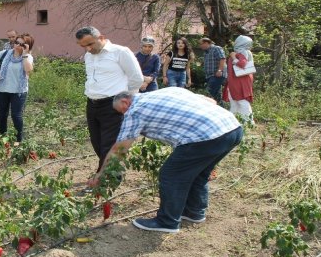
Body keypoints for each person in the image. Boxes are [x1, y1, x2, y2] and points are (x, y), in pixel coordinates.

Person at [90, 88, 242, 233]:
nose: (123, 116)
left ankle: (167, 222)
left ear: (125, 103)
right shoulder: (168, 91)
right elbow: (210, 101)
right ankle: (194, 212)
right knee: (199, 173)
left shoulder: (134, 111)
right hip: (232, 128)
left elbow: (119, 149)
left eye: (121, 112)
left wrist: (101, 174)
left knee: (170, 175)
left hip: (205, 137)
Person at [75, 26, 144, 173]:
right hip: (92, 103)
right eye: (83, 46)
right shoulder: (89, 55)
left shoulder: (120, 52)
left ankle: (104, 180)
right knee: (97, 142)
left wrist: (125, 101)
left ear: (101, 37)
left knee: (109, 144)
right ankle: (112, 171)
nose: (87, 49)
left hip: (113, 104)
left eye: (90, 44)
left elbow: (136, 79)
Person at [0, 33, 34, 144]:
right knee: (2, 115)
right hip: (1, 90)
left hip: (18, 92)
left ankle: (18, 140)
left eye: (22, 44)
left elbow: (28, 70)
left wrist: (25, 54)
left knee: (16, 115)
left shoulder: (28, 57)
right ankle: (4, 138)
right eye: (17, 42)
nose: (18, 45)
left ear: (27, 46)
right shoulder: (5, 53)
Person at [224, 35, 255, 123]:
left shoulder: (242, 53)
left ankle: (248, 121)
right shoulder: (241, 52)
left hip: (239, 81)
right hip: (236, 81)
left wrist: (233, 57)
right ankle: (233, 121)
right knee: (234, 101)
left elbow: (242, 64)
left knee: (241, 101)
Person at [199, 38, 227, 105]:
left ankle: (207, 109)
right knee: (217, 95)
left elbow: (222, 59)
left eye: (201, 44)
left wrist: (220, 70)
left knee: (209, 93)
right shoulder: (206, 52)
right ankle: (221, 109)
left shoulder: (216, 48)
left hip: (216, 75)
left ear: (206, 43)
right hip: (210, 76)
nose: (200, 46)